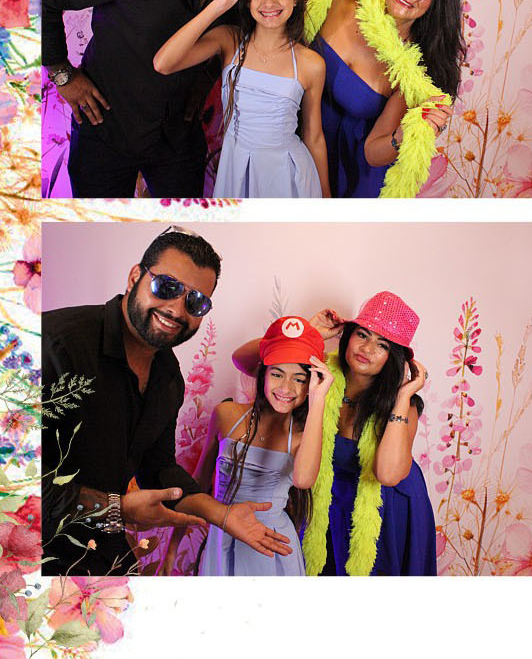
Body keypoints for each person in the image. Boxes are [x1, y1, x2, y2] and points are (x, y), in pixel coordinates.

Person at [42, 228, 293, 577]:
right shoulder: (53, 344)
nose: (176, 309)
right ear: (135, 277)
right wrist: (117, 509)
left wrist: (222, 515)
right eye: (167, 286)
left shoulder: (167, 374)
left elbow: (157, 467)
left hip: (100, 550)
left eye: (196, 302)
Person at [42, 0, 261, 199]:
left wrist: (204, 81)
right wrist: (62, 74)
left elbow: (268, 12)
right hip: (105, 130)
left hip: (178, 141)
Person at [233, 292, 437, 578]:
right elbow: (242, 360)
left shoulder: (403, 404)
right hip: (327, 501)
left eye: (382, 345)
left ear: (395, 357)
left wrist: (403, 395)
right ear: (348, 335)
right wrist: (306, 334)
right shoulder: (318, 375)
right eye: (362, 335)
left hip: (386, 509)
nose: (367, 348)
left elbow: (388, 475)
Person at [154, 0, 330, 199]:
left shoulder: (310, 63)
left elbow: (314, 137)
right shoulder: (229, 40)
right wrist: (218, 5)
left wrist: (326, 200)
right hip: (235, 168)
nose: (268, 2)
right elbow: (164, 63)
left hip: (287, 174)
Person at [304, 0, 463, 198]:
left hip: (349, 172)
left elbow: (373, 152)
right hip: (295, 139)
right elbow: (282, 7)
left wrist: (402, 137)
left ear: (435, 3)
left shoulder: (414, 70)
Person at [196, 316, 334, 576]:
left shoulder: (304, 435)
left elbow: (304, 480)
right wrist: (173, 546)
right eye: (277, 374)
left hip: (273, 545)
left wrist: (318, 399)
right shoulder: (226, 414)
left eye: (299, 379)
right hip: (221, 537)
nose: (286, 388)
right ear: (263, 374)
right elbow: (198, 483)